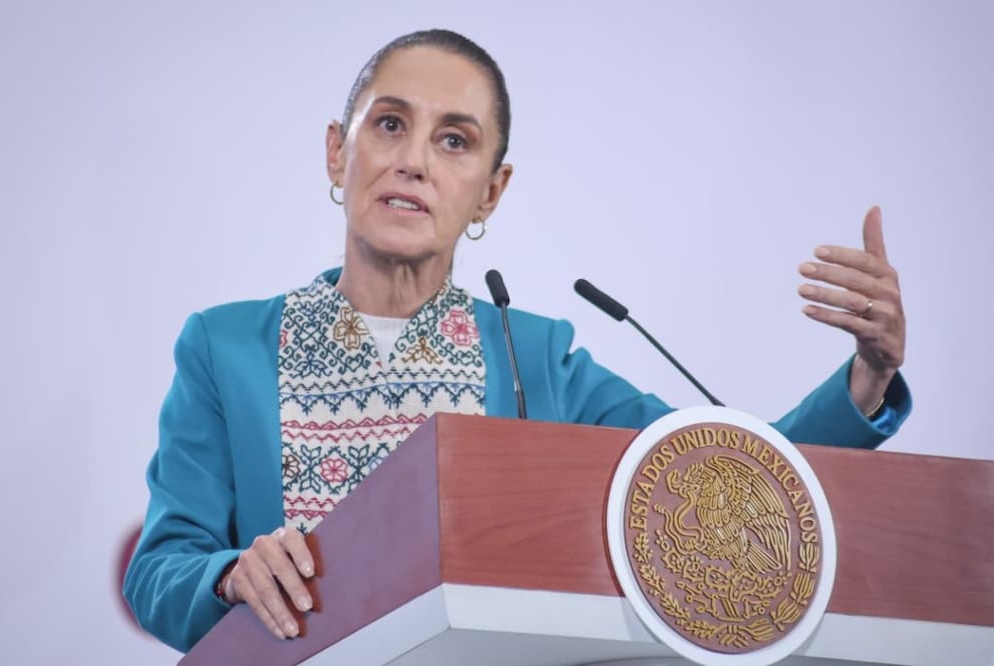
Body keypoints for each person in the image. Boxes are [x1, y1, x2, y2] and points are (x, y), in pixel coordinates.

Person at [123, 28, 910, 653]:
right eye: (390, 124)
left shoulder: (536, 358)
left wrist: (865, 382)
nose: (412, 161)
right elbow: (159, 571)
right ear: (339, 150)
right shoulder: (225, 349)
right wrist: (229, 577)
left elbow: (721, 481)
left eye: (454, 141)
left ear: (490, 191)